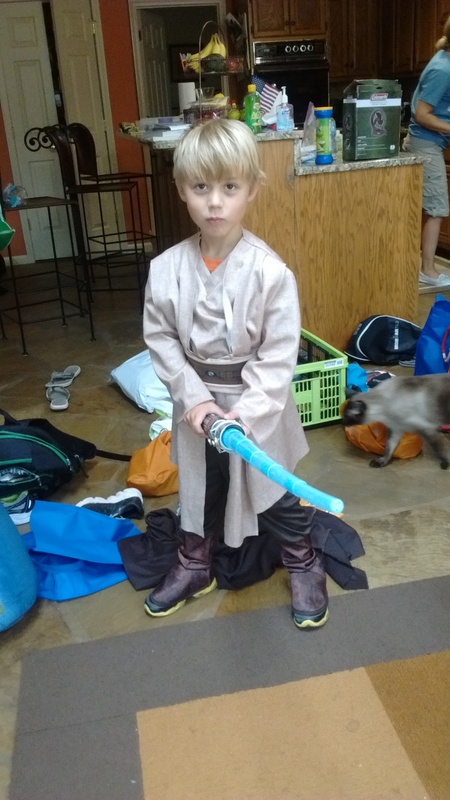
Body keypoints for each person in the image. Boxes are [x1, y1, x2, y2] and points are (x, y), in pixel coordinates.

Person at [142, 118, 328, 630]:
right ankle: (195, 563)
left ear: (252, 190)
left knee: (272, 489)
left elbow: (278, 356)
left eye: (229, 187)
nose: (215, 203)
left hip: (255, 407)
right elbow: (162, 340)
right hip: (196, 407)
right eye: (201, 188)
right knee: (199, 488)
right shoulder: (165, 270)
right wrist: (196, 402)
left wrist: (243, 417)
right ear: (182, 190)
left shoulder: (271, 273)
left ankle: (303, 562)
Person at [403, 14, 450, 287]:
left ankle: (425, 268)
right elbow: (422, 114)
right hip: (425, 145)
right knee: (436, 209)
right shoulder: (444, 70)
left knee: (428, 208)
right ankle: (428, 271)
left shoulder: (445, 60)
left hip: (429, 143)